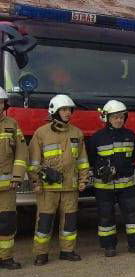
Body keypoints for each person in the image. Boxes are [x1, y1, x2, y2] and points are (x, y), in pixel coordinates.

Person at [29, 94, 90, 265]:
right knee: (44, 222)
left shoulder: (77, 133)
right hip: (48, 189)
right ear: (54, 111)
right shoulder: (41, 133)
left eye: (69, 110)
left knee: (70, 221)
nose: (68, 113)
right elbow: (34, 162)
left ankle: (67, 251)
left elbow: (82, 160)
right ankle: (41, 253)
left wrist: (84, 180)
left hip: (71, 187)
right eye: (63, 110)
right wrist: (36, 182)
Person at [88, 100, 135, 258]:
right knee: (106, 216)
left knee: (134, 215)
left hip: (126, 185)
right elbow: (91, 160)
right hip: (104, 186)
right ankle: (109, 247)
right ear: (107, 118)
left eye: (121, 117)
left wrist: (120, 168)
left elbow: (132, 158)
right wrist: (102, 169)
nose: (119, 120)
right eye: (115, 117)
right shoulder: (96, 138)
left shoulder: (130, 136)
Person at [0, 88, 28, 270]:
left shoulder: (12, 124)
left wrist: (17, 176)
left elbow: (21, 152)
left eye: (1, 102)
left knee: (7, 223)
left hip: (7, 186)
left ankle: (5, 258)